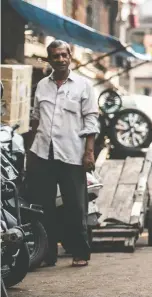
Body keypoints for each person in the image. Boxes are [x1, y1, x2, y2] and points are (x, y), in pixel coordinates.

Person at [26, 40, 99, 267]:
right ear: (49, 59)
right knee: (43, 205)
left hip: (72, 154)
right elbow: (36, 118)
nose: (60, 59)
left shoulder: (83, 86)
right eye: (55, 56)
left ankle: (80, 252)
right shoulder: (41, 86)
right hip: (42, 153)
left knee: (75, 206)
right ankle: (47, 254)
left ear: (70, 56)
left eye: (63, 55)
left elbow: (91, 120)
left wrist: (89, 153)